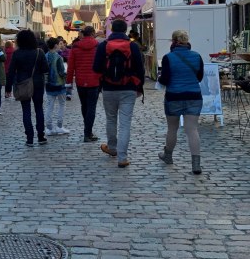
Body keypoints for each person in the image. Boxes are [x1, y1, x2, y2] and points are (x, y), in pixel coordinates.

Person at [92, 19, 145, 168]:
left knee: (111, 119)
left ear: (112, 29)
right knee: (125, 124)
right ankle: (122, 158)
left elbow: (96, 67)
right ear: (125, 30)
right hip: (128, 88)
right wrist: (139, 87)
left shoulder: (103, 45)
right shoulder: (133, 46)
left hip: (109, 88)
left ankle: (112, 148)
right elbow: (140, 69)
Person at [158, 30, 204, 174]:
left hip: (174, 96)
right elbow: (199, 77)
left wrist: (159, 80)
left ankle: (168, 156)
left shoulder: (168, 57)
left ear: (173, 41)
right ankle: (196, 164)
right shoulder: (197, 56)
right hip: (194, 96)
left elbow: (165, 79)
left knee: (172, 128)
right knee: (192, 130)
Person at [7, 29, 49, 147]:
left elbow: (11, 71)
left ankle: (29, 138)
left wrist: (8, 88)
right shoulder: (39, 52)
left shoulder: (17, 53)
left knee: (26, 111)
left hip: (23, 84)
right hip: (38, 84)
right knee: (39, 109)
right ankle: (41, 136)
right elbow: (46, 69)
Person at [66, 26, 101, 142]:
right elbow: (102, 64)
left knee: (84, 106)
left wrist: (68, 82)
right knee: (91, 107)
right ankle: (88, 132)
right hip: (94, 81)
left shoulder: (75, 46)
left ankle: (87, 131)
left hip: (80, 81)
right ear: (92, 33)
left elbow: (70, 66)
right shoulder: (97, 46)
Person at [44, 38, 69, 136]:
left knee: (49, 105)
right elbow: (61, 72)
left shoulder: (45, 56)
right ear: (55, 45)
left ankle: (49, 128)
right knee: (62, 105)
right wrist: (66, 74)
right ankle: (59, 126)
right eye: (58, 44)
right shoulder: (58, 57)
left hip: (49, 84)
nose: (59, 46)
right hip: (59, 84)